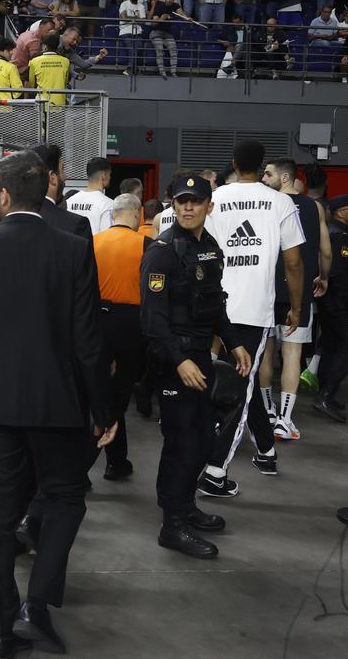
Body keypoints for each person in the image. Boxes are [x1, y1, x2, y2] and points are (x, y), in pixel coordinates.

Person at [0, 149, 113, 658]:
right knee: (65, 498)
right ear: (47, 193)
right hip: (58, 405)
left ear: (4, 195)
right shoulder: (73, 247)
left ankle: (0, 632)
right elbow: (88, 340)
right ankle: (37, 605)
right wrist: (103, 409)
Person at [140, 173, 251, 559]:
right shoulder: (162, 251)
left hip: (201, 356)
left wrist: (235, 342)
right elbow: (153, 320)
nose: (188, 207)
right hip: (175, 361)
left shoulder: (209, 248)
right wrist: (181, 360)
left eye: (196, 201)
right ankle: (172, 525)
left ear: (209, 206)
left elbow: (214, 304)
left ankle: (184, 506)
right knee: (183, 443)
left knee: (202, 439)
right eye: (181, 201)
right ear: (172, 204)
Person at [199, 140, 304, 496]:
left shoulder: (216, 198)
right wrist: (296, 305)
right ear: (262, 168)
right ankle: (215, 470)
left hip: (213, 305)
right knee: (241, 389)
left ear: (232, 163)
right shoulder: (281, 202)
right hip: (254, 311)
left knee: (230, 378)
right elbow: (293, 262)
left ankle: (264, 450)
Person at [260, 157, 330, 438]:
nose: (264, 179)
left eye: (268, 174)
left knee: (266, 352)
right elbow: (325, 251)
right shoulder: (315, 208)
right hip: (299, 291)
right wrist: (323, 277)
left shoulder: (268, 205)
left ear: (284, 178)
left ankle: (266, 411)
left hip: (268, 291)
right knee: (292, 354)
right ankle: (284, 419)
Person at [92, 193, 152, 481]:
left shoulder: (92, 242)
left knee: (100, 389)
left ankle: (117, 458)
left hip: (95, 320)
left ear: (113, 214)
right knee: (120, 391)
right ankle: (97, 460)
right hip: (131, 322)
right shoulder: (146, 245)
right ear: (138, 214)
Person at [310, 194, 348, 421]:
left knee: (332, 345)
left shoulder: (335, 231)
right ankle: (326, 393)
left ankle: (326, 394)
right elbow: (340, 273)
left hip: (331, 300)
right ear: (342, 211)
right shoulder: (340, 235)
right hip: (340, 302)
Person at [66, 157, 115, 234]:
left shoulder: (69, 201)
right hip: (94, 245)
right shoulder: (108, 204)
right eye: (110, 174)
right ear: (104, 175)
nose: (110, 177)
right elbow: (107, 237)